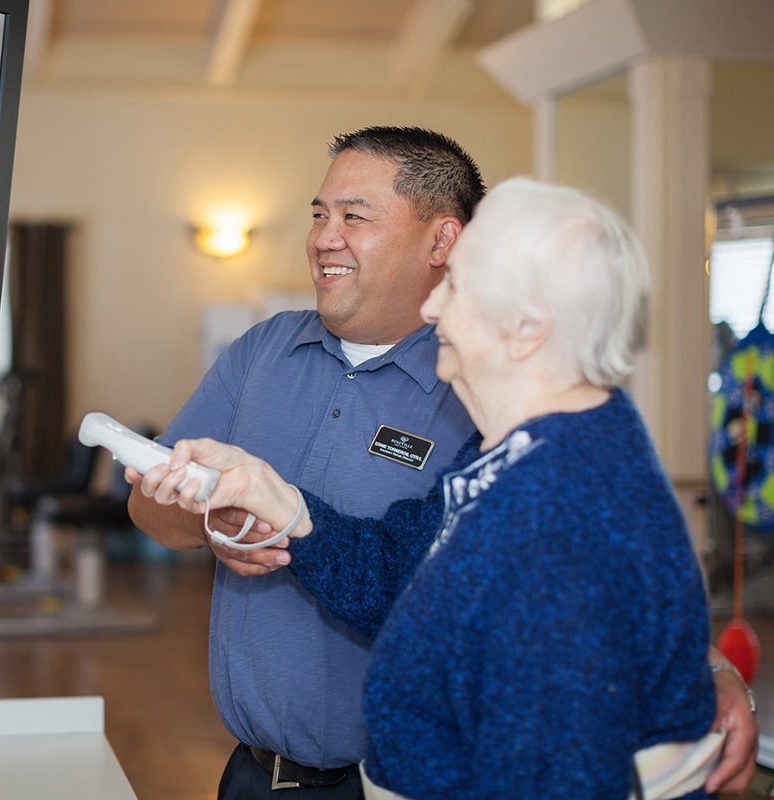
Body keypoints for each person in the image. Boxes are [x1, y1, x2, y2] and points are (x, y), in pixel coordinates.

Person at [124, 127, 758, 798]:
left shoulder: (551, 488)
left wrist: (704, 665)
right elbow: (407, 562)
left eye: (462, 285)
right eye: (320, 214)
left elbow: (562, 748)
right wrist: (284, 510)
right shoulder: (513, 459)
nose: (434, 307)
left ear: (528, 326)